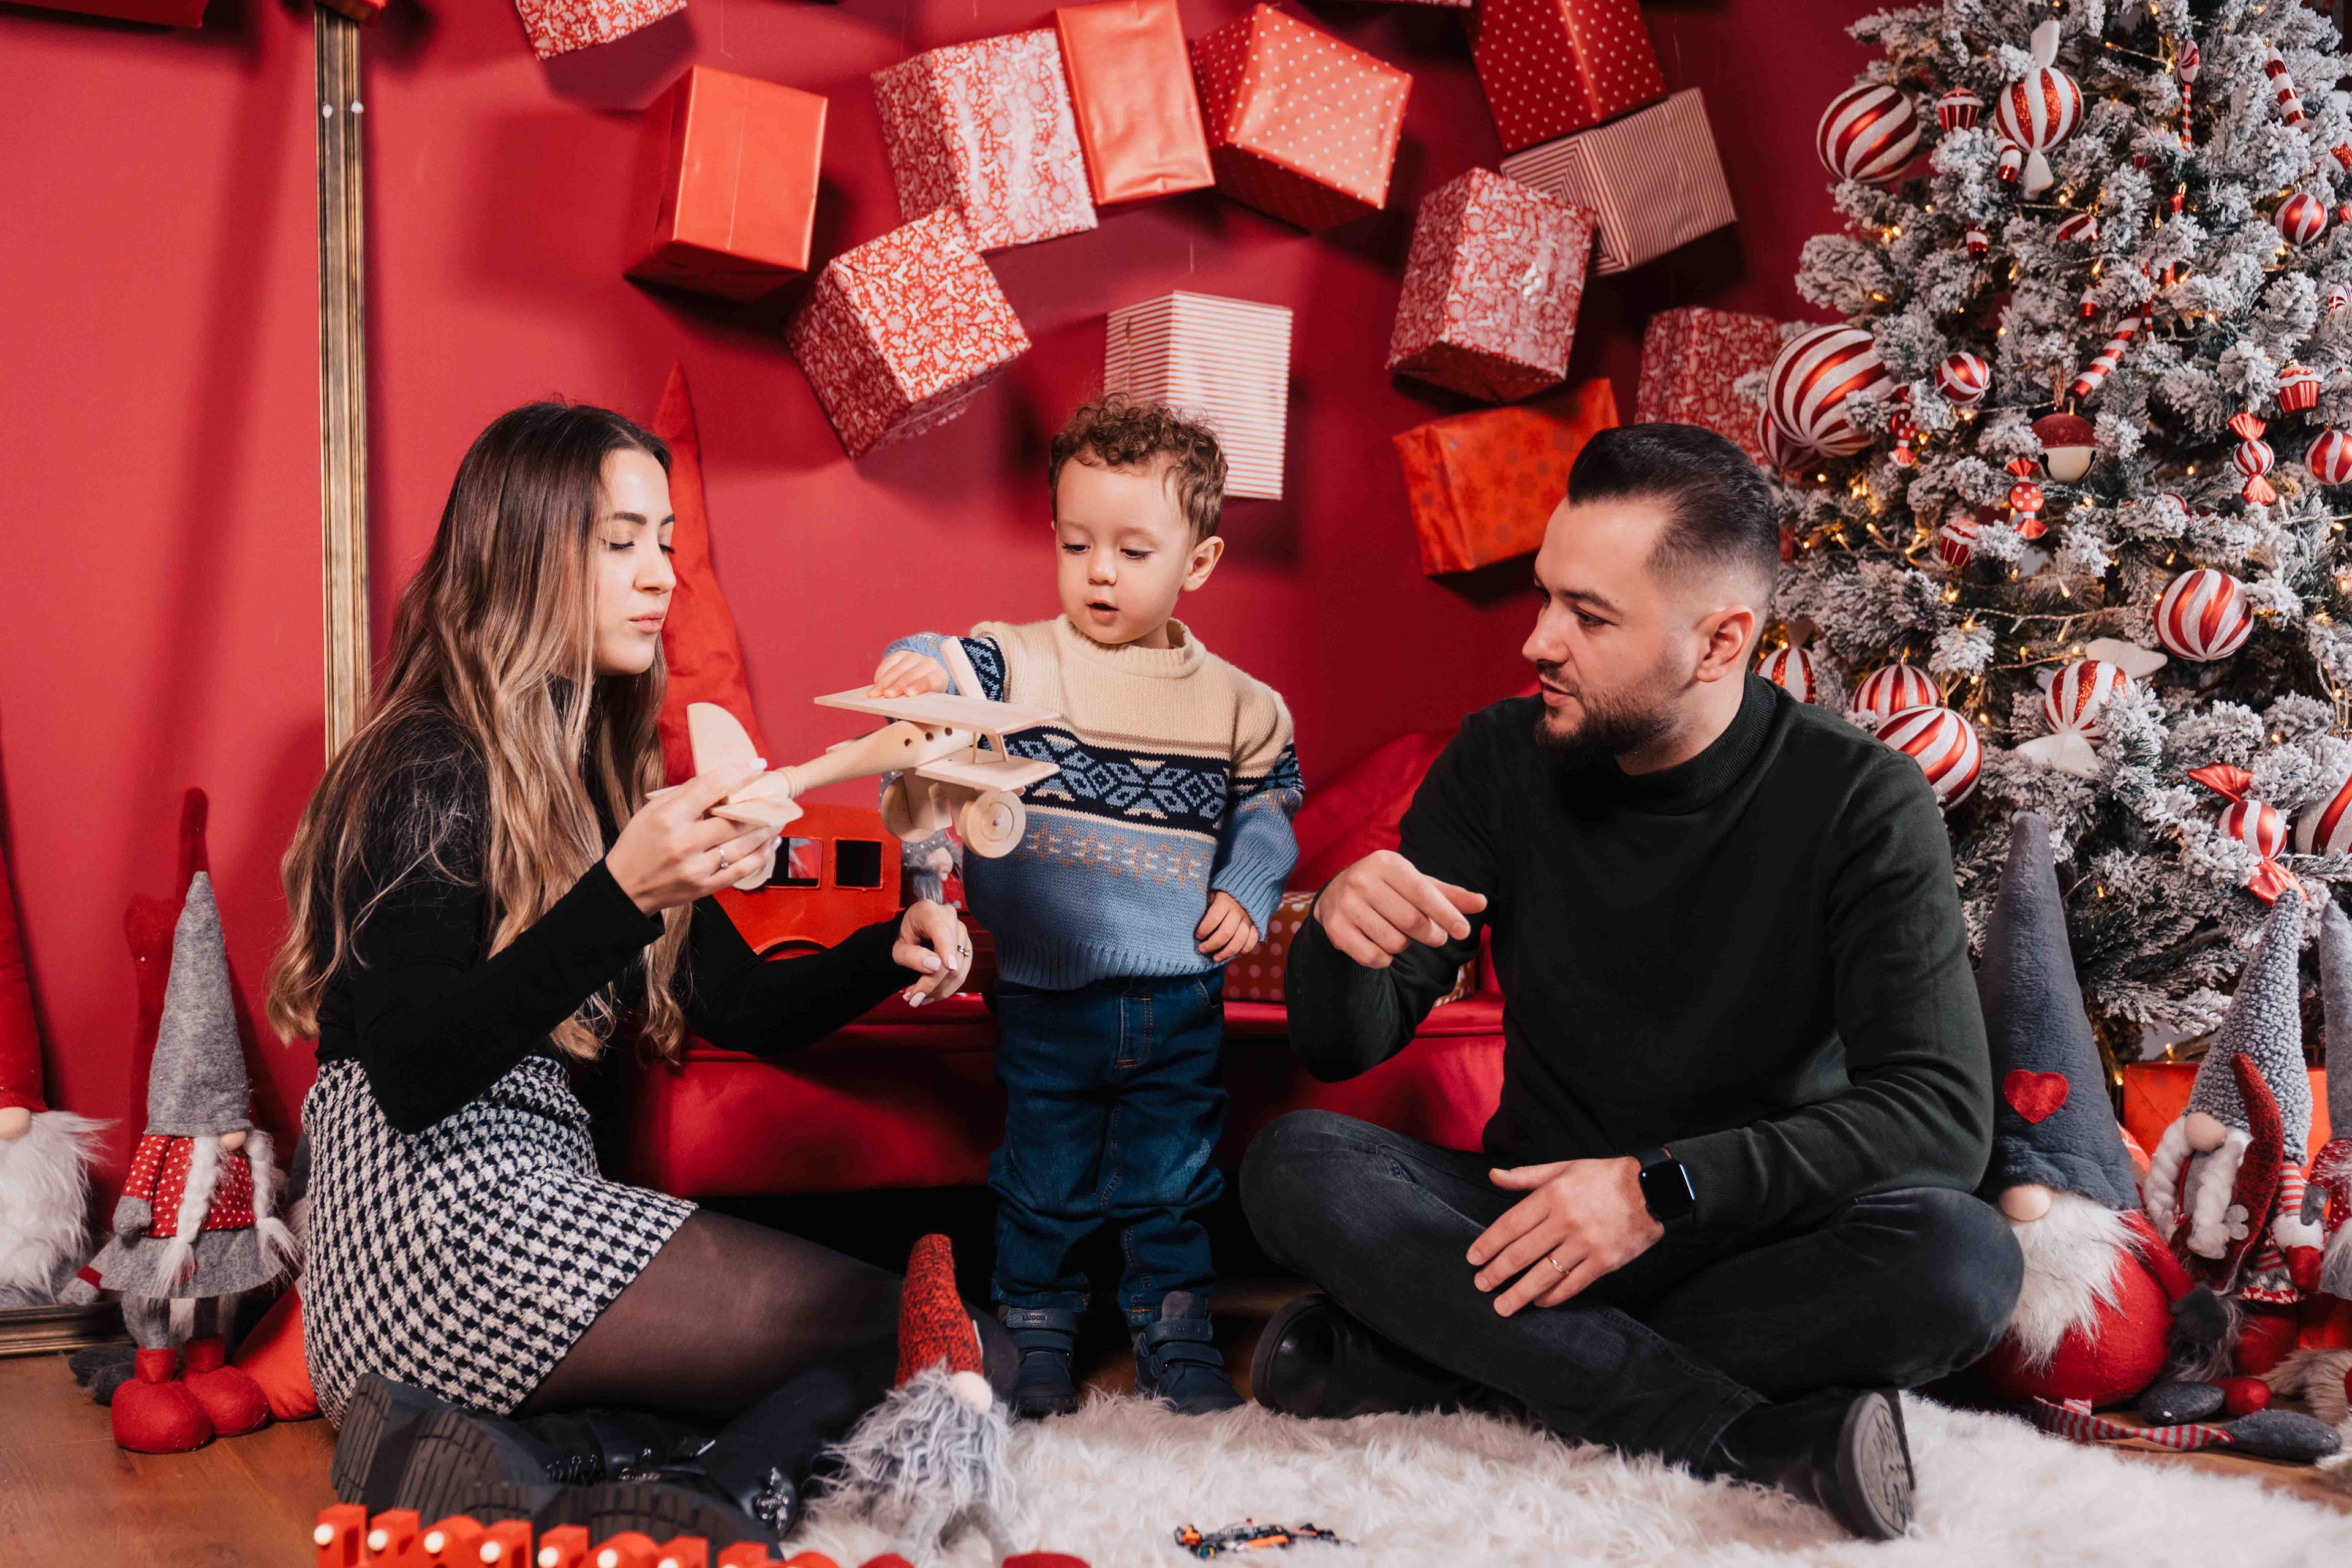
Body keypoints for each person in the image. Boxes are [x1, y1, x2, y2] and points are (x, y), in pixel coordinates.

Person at [1242, 423, 2021, 1542]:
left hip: (1748, 1237)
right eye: (1545, 596)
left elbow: (1938, 1119)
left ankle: (1447, 1365)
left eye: (1590, 616)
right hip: (1525, 1226)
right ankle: (1745, 1437)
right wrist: (1338, 935)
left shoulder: (1862, 801)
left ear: (1720, 641)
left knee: (1963, 1261)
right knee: (1296, 1165)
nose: (1539, 641)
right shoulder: (1500, 758)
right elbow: (1343, 1045)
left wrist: (1656, 1191)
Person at [265, 402, 1001, 1547]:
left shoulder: (599, 777)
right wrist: (622, 895)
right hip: (428, 1229)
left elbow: (739, 1006)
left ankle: (512, 1459)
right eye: (621, 542)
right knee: (912, 1341)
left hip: (526, 1210)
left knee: (954, 1338)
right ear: (525, 551)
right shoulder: (426, 759)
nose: (661, 575)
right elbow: (411, 1074)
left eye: (665, 540)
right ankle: (714, 1505)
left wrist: (885, 947)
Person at [870, 396, 1304, 1418]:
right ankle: (1037, 1337)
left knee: (1173, 1180)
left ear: (1199, 561)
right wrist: (916, 661)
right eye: (1076, 544)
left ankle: (1177, 1337)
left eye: (1132, 550)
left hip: (1178, 994)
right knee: (1043, 1174)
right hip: (1045, 991)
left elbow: (1269, 809)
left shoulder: (1244, 705)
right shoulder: (1018, 660)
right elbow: (943, 661)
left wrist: (1246, 888)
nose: (1099, 571)